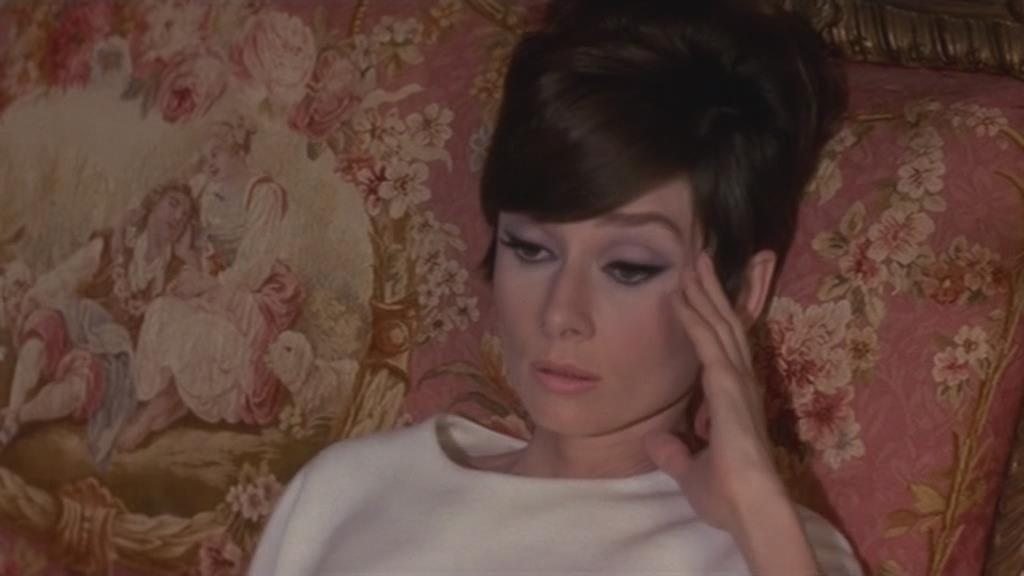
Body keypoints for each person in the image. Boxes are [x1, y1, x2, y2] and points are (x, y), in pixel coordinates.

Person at [249, 0, 861, 574]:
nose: (561, 313)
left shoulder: (770, 548)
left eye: (628, 267)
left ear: (741, 292)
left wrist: (756, 510)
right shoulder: (349, 490)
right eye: (531, 249)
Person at [120, 120, 305, 450]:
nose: (210, 164)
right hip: (211, 284)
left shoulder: (264, 193)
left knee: (206, 330)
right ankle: (161, 408)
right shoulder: (205, 189)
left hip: (255, 297)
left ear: (238, 150)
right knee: (164, 310)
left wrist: (206, 284)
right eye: (205, 158)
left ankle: (150, 417)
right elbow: (190, 238)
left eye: (216, 154)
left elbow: (254, 267)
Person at [0, 181, 197, 466]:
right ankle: (14, 408)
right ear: (153, 204)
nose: (178, 217)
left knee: (82, 385)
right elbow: (67, 275)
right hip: (79, 321)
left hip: (113, 354)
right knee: (44, 328)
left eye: (185, 215)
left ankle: (14, 419)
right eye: (173, 204)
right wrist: (33, 297)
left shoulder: (176, 275)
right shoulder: (112, 245)